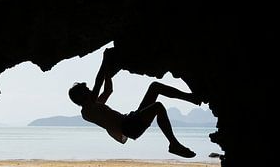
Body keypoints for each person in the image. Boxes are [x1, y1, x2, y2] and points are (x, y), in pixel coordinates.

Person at [68, 47, 201, 158]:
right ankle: (173, 144)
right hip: (128, 127)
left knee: (155, 87)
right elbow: (98, 85)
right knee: (158, 107)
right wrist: (105, 60)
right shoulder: (87, 111)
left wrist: (108, 69)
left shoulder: (94, 106)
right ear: (81, 96)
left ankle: (192, 98)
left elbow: (108, 90)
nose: (90, 90)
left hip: (130, 119)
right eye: (87, 90)